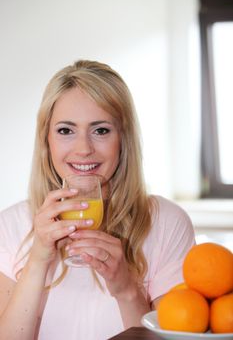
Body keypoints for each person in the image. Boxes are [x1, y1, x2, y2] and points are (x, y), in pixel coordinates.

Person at [0, 60, 195, 340]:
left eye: (101, 130)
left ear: (123, 139)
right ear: (47, 140)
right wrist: (38, 260)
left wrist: (126, 288)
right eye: (66, 130)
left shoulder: (166, 222)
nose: (83, 149)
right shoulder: (9, 226)